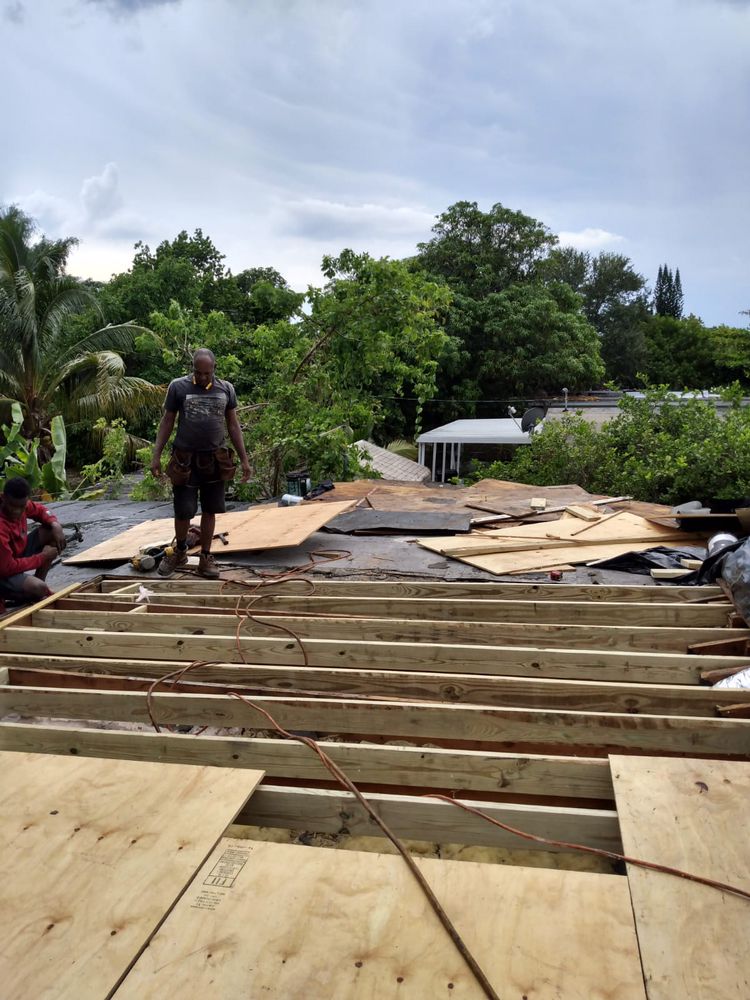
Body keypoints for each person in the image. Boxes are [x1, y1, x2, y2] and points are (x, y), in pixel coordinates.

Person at [151, 348, 251, 578]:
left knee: (210, 509)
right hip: (185, 460)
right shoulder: (178, 387)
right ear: (192, 368)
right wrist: (156, 455)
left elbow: (233, 426)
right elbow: (167, 422)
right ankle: (180, 552)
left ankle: (205, 557)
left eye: (207, 373)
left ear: (214, 368)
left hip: (215, 459)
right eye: (198, 372)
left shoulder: (226, 389)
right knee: (184, 510)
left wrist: (244, 460)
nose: (203, 377)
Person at [0, 477, 65, 606]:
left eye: (22, 507)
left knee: (51, 531)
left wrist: (55, 524)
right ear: (3, 498)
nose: (18, 512)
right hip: (3, 570)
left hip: (13, 556)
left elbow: (40, 510)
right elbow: (7, 568)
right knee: (39, 588)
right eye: (13, 507)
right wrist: (42, 557)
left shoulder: (21, 504)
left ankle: (33, 586)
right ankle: (31, 590)